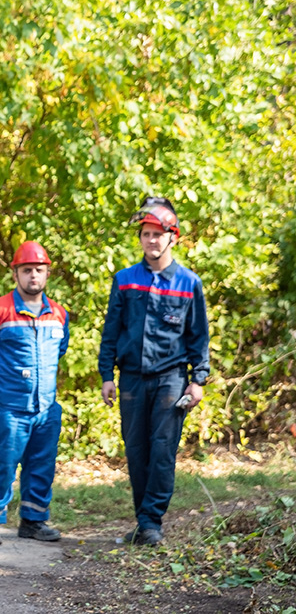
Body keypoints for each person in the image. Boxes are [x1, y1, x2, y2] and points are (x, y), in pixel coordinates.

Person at [99, 196, 209, 546]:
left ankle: (151, 524)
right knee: (136, 450)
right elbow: (111, 330)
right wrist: (106, 375)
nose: (151, 240)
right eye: (146, 234)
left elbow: (199, 336)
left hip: (171, 379)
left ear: (172, 237)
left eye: (158, 234)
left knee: (162, 450)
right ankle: (143, 521)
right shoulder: (125, 280)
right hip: (131, 378)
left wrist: (198, 380)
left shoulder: (189, 283)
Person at [0, 241, 69, 546]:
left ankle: (34, 521)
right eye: (27, 270)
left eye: (39, 270)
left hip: (46, 407)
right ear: (16, 274)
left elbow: (60, 352)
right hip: (7, 407)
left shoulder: (59, 315)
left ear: (47, 273)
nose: (33, 276)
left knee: (42, 465)